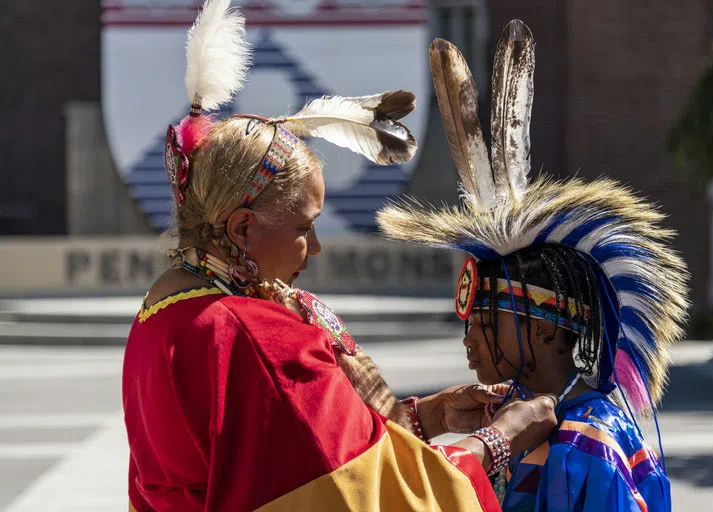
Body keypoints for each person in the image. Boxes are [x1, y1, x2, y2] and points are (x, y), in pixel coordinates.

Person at [123, 2, 558, 511]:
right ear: (242, 227)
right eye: (304, 228)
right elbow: (366, 495)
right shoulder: (258, 340)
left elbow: (284, 458)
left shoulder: (160, 316)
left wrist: (431, 417)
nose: (317, 248)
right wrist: (501, 438)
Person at [377, 20, 689, 512]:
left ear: (543, 330)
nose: (468, 340)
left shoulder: (589, 444)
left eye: (483, 321)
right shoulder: (515, 418)